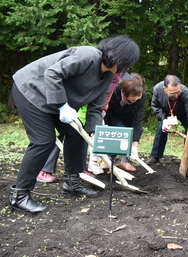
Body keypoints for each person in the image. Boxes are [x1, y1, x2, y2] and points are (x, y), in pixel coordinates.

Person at [10, 34, 140, 214]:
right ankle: (19, 195)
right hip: (31, 90)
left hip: (54, 100)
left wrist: (93, 131)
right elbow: (52, 73)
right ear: (119, 57)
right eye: (127, 63)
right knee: (43, 141)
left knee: (77, 134)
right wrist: (62, 105)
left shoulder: (109, 76)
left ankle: (71, 182)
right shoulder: (87, 56)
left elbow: (96, 106)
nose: (126, 68)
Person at [146, 75, 188, 166]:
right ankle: (155, 156)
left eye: (178, 92)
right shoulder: (157, 89)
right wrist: (163, 119)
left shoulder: (185, 92)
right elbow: (156, 106)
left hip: (183, 112)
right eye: (172, 94)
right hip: (166, 112)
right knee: (161, 130)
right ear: (164, 89)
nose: (176, 95)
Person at [104, 73, 147, 171]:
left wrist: (134, 146)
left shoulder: (141, 96)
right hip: (111, 114)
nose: (137, 98)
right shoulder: (113, 89)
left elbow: (138, 119)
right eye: (134, 96)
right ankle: (108, 159)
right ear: (125, 92)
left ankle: (124, 160)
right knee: (119, 132)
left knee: (135, 131)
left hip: (129, 115)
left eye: (139, 95)